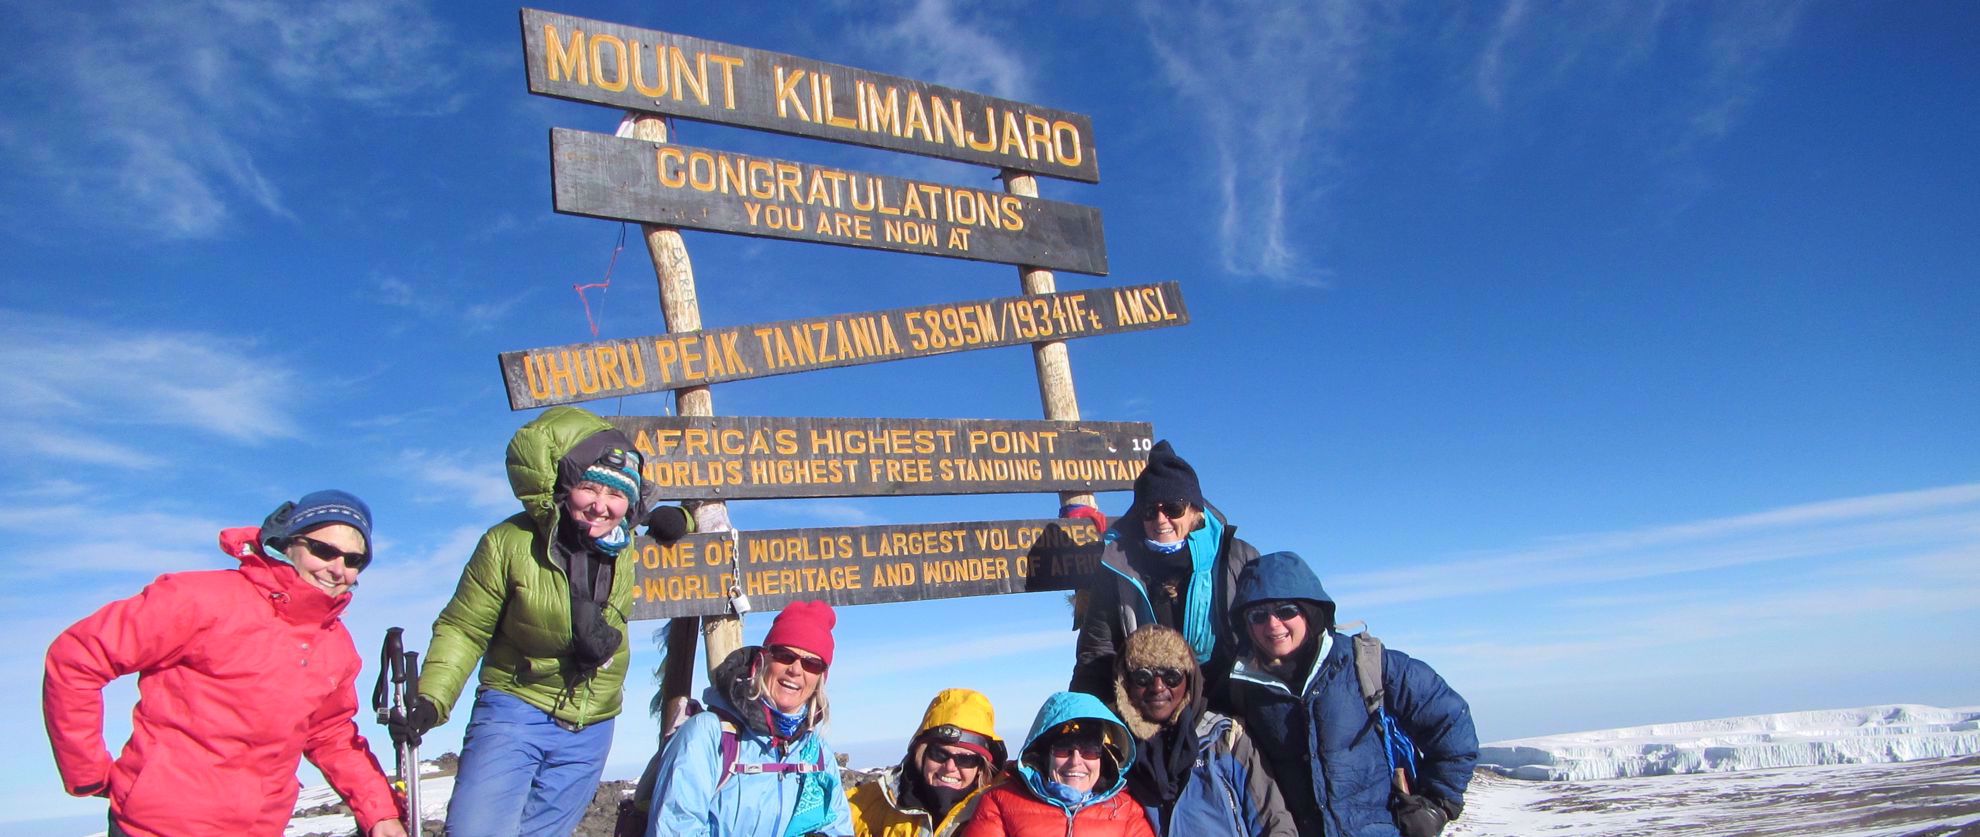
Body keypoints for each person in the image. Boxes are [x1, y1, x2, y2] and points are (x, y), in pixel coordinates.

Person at [395, 406, 691, 837]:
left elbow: (663, 521)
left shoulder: (622, 544)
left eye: (615, 495)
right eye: (589, 488)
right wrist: (431, 699)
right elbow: (464, 627)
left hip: (593, 723)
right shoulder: (508, 542)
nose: (600, 506)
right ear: (564, 484)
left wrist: (681, 520)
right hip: (515, 708)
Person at [43, 491, 407, 837]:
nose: (337, 568)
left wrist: (380, 812)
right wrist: (86, 771)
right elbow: (77, 657)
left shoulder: (336, 646)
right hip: (156, 826)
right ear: (289, 543)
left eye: (354, 559)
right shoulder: (197, 599)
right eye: (323, 550)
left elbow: (329, 734)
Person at [1225, 552, 1477, 837]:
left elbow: (1451, 721)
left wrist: (1438, 805)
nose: (1273, 625)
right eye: (1258, 615)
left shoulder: (1366, 664)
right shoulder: (1242, 685)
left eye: (1286, 611)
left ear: (1310, 612)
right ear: (1245, 625)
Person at [1071, 440, 1259, 705]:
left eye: (1173, 508)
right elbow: (1097, 654)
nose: (1161, 520)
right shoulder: (1116, 567)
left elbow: (1265, 638)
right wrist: (1083, 718)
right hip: (1149, 707)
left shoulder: (1236, 558)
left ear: (1195, 511)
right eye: (1149, 511)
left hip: (1227, 705)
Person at [647, 600, 855, 837]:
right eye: (785, 655)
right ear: (763, 660)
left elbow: (835, 829)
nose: (796, 670)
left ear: (820, 678)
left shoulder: (817, 754)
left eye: (811, 663)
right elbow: (676, 828)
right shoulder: (707, 735)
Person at [1112, 626, 1294, 837]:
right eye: (1142, 677)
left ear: (1190, 680)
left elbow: (1273, 822)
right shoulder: (1113, 751)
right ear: (1125, 683)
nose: (1158, 687)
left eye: (1172, 675)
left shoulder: (1226, 738)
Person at [960, 691, 1153, 837]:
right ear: (1045, 754)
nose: (1076, 761)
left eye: (1089, 751)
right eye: (1063, 749)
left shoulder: (1126, 811)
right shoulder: (1000, 802)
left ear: (1104, 758)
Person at [847, 688, 1009, 837]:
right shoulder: (875, 802)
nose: (950, 767)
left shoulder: (1001, 813)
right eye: (939, 754)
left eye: (965, 759)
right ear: (922, 754)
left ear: (981, 766)